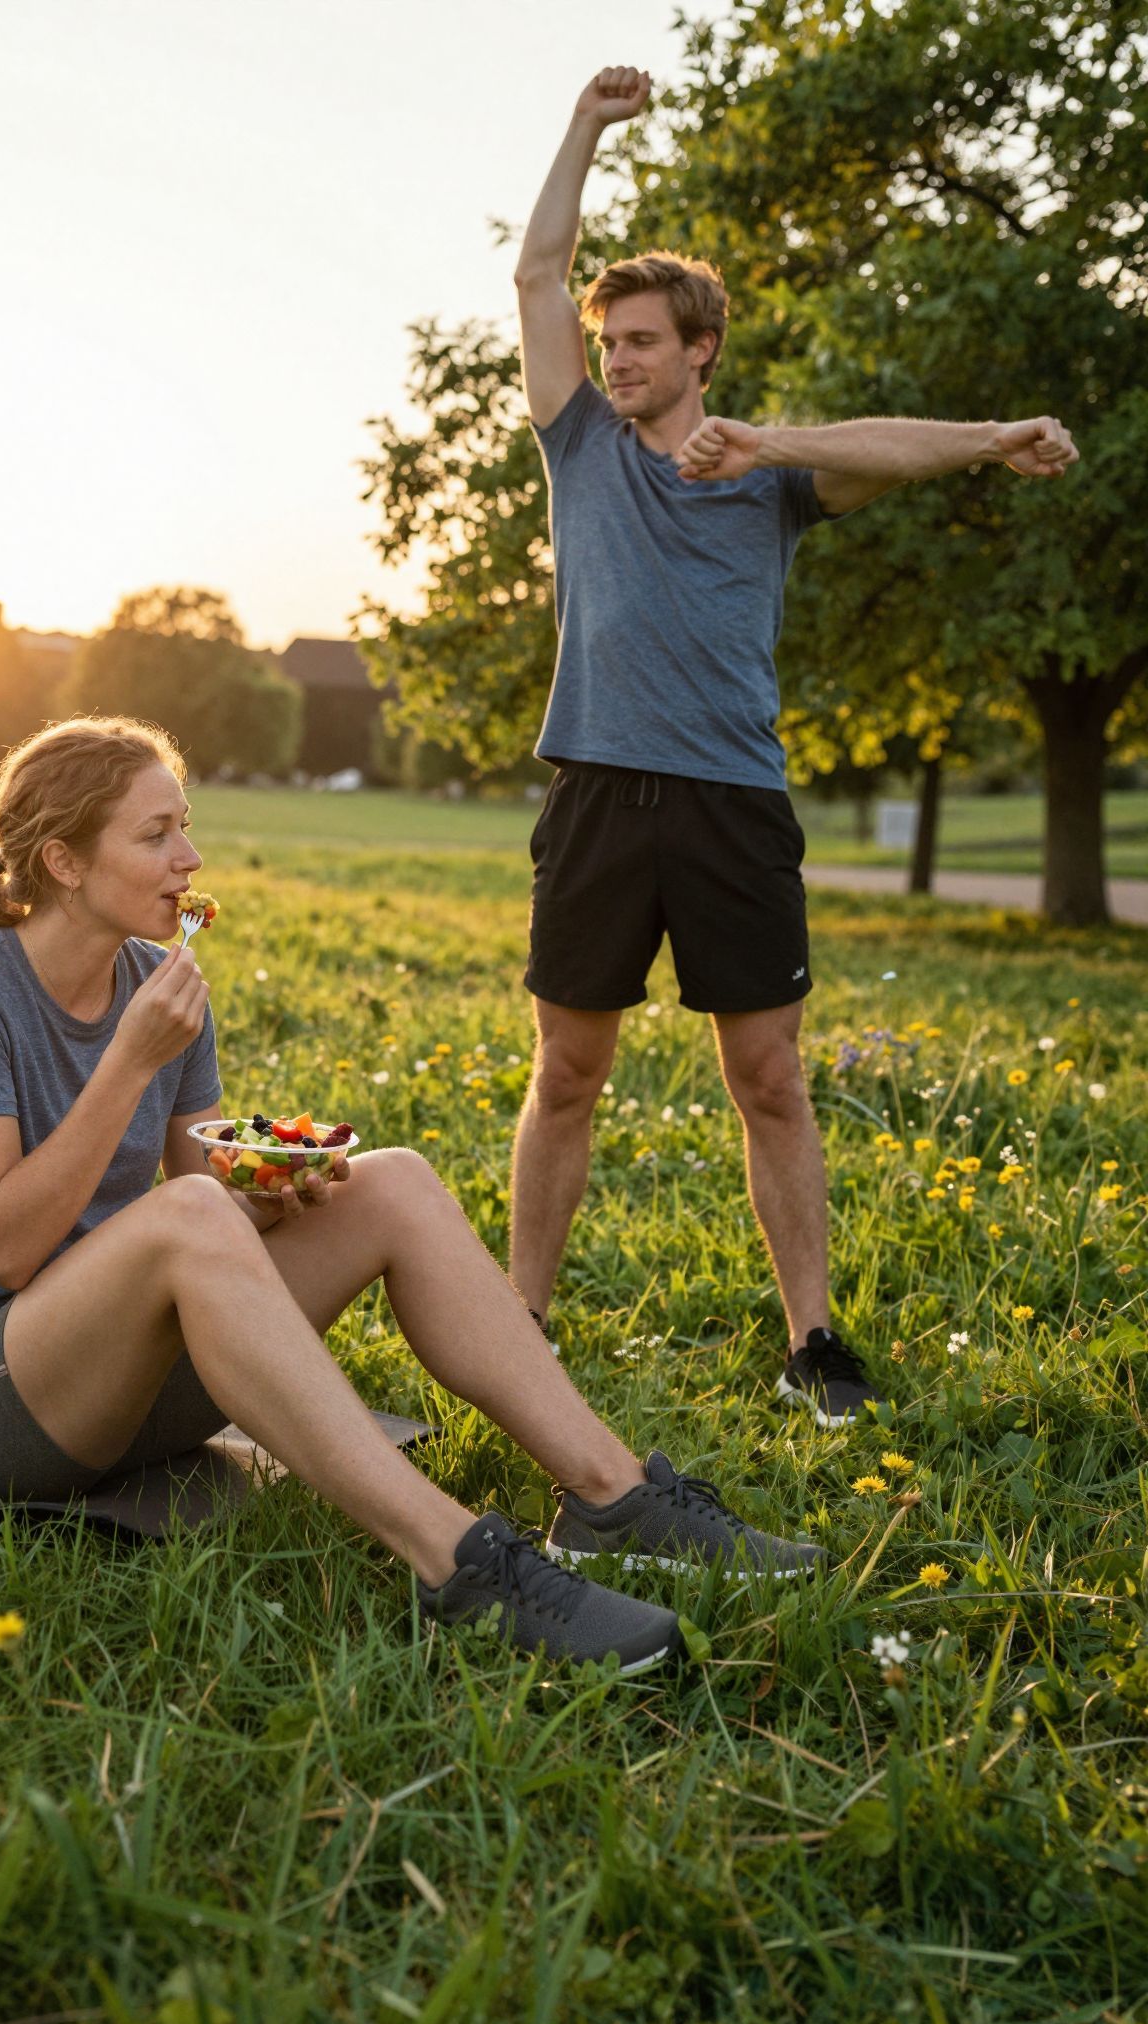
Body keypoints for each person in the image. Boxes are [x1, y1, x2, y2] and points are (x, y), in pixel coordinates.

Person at [0, 715, 825, 1678]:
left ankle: (613, 1497)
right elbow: (3, 1248)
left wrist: (275, 1194)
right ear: (64, 861)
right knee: (188, 1220)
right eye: (154, 835)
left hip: (114, 1394)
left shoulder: (159, 984)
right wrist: (129, 1064)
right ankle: (462, 1564)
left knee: (392, 1181)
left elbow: (207, 1201)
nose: (189, 858)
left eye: (185, 827)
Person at [510, 66, 1079, 1425]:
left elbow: (892, 451)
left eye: (643, 340)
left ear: (700, 348)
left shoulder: (773, 478)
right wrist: (584, 127)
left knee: (768, 1076)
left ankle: (812, 1341)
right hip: (598, 790)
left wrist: (977, 439)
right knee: (569, 1073)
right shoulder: (581, 446)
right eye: (613, 339)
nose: (619, 358)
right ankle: (519, 1321)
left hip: (731, 805)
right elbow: (538, 271)